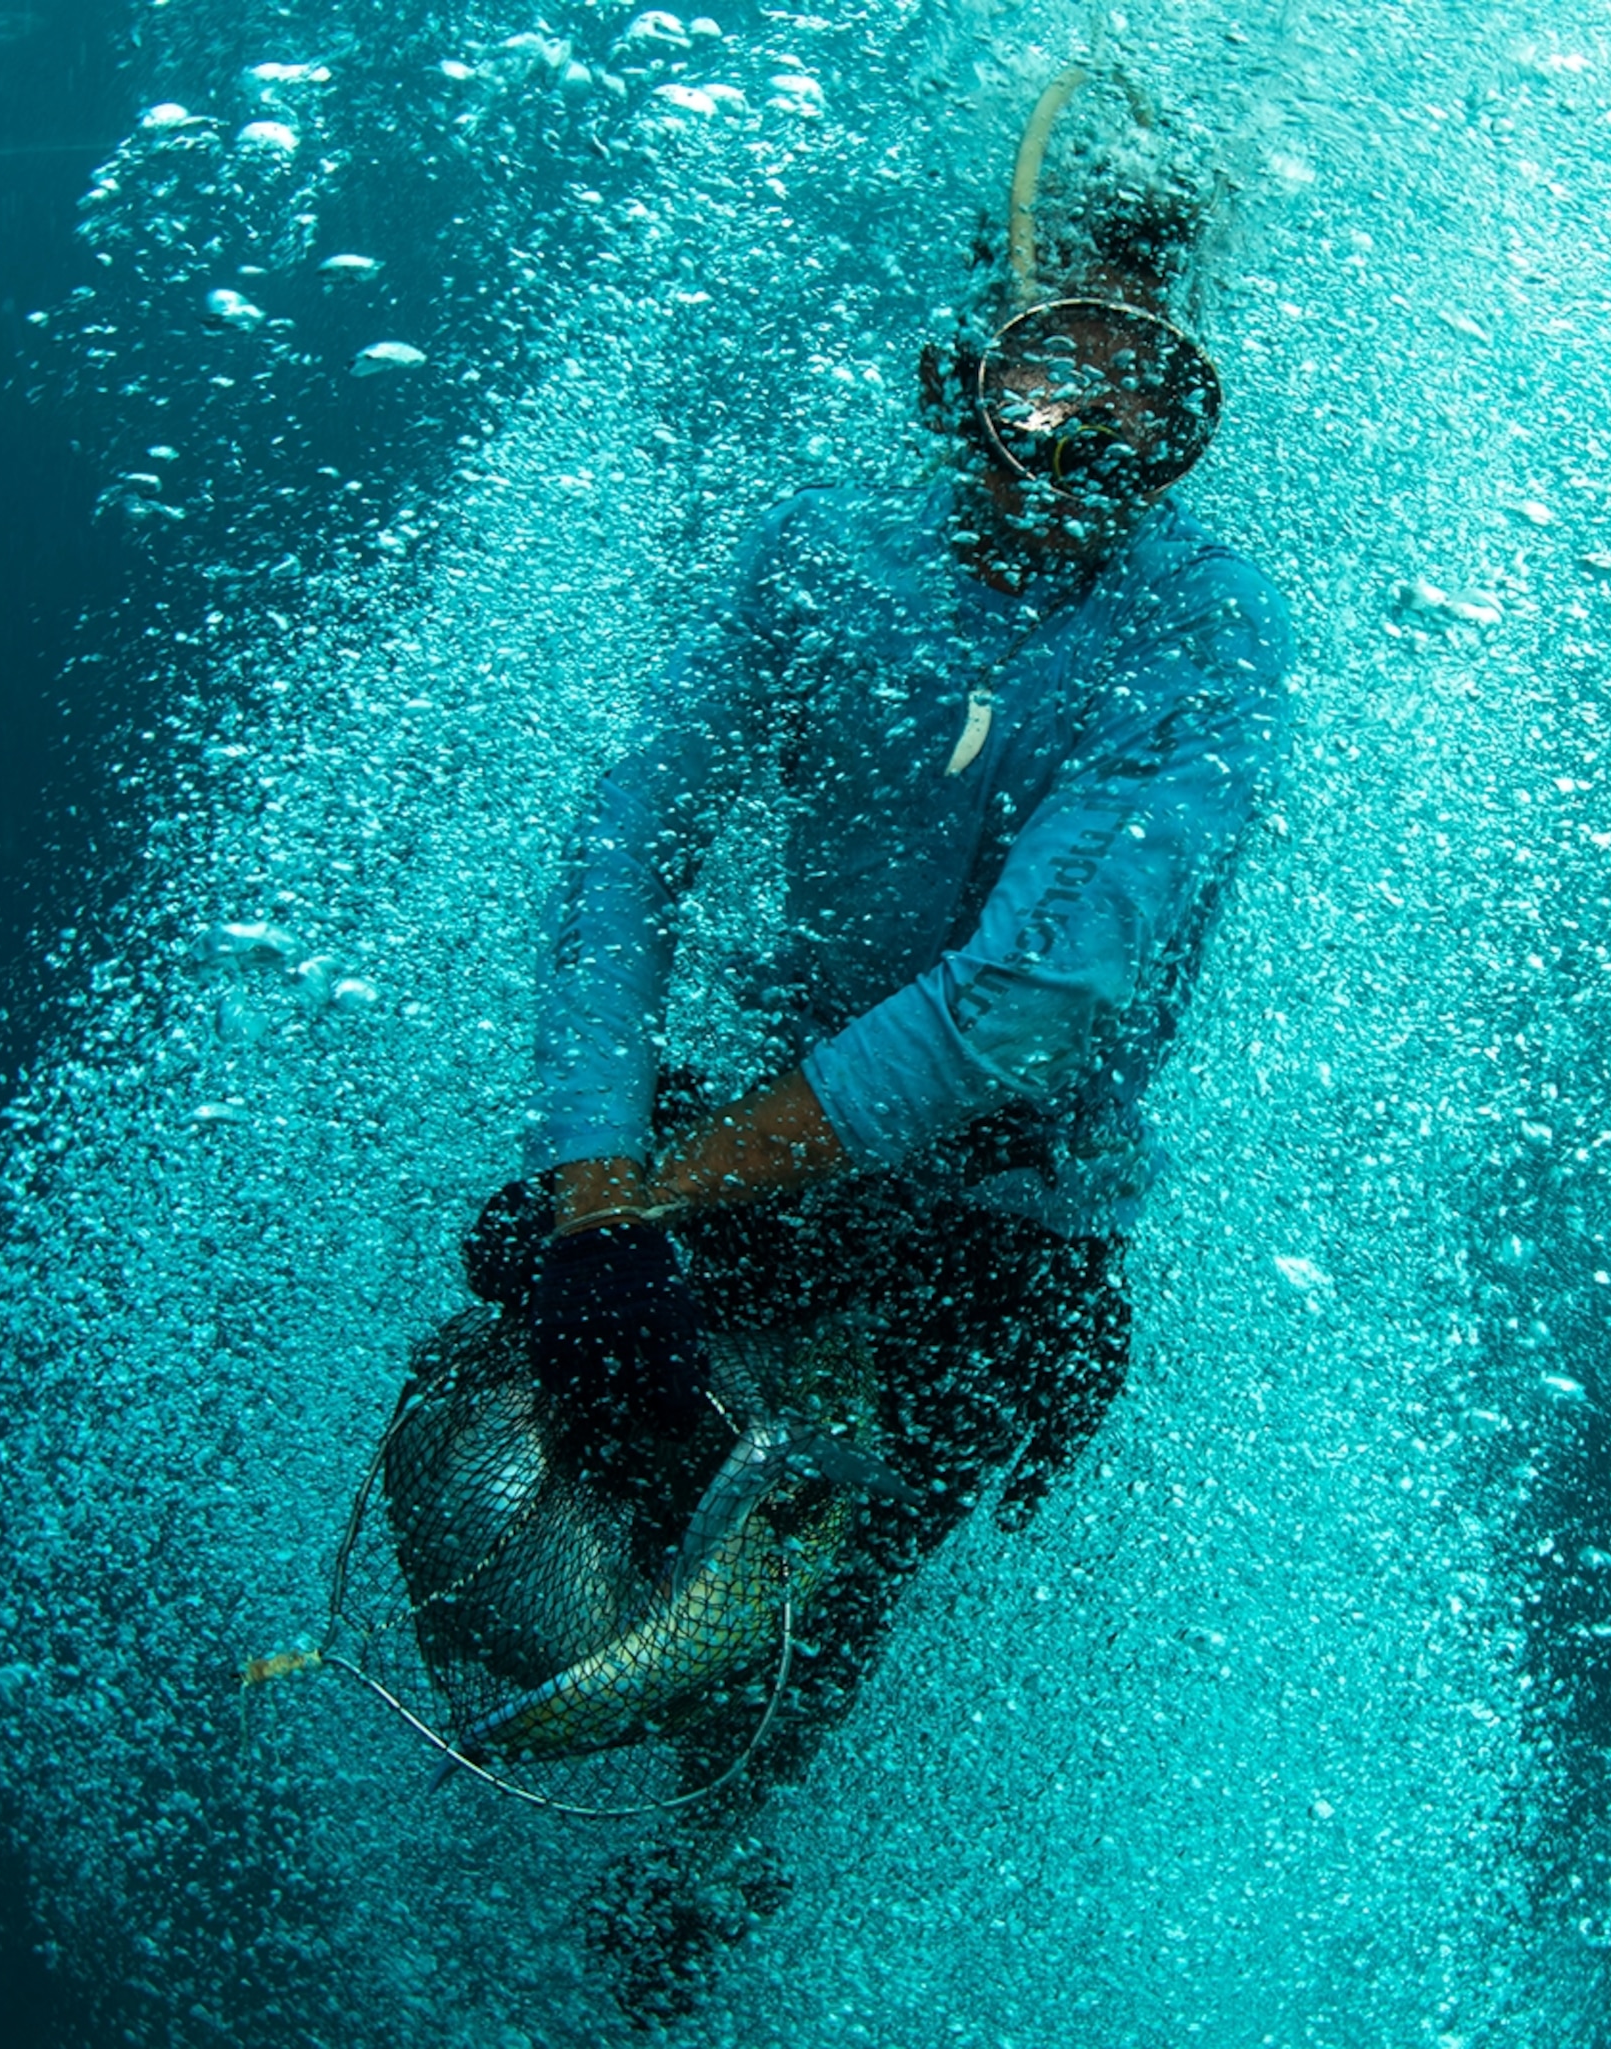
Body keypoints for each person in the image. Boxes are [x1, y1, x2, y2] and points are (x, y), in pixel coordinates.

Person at [459, 94, 1292, 2018]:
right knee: (578, 1394)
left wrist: (638, 1188)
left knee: (812, 1581)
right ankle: (572, 1720)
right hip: (773, 1130)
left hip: (1010, 1216)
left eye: (1150, 393)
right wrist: (592, 1163)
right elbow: (629, 830)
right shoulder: (820, 558)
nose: (1090, 442)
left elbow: (1029, 1001)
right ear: (963, 368)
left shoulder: (1215, 629)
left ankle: (698, 1872)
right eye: (1052, 370)